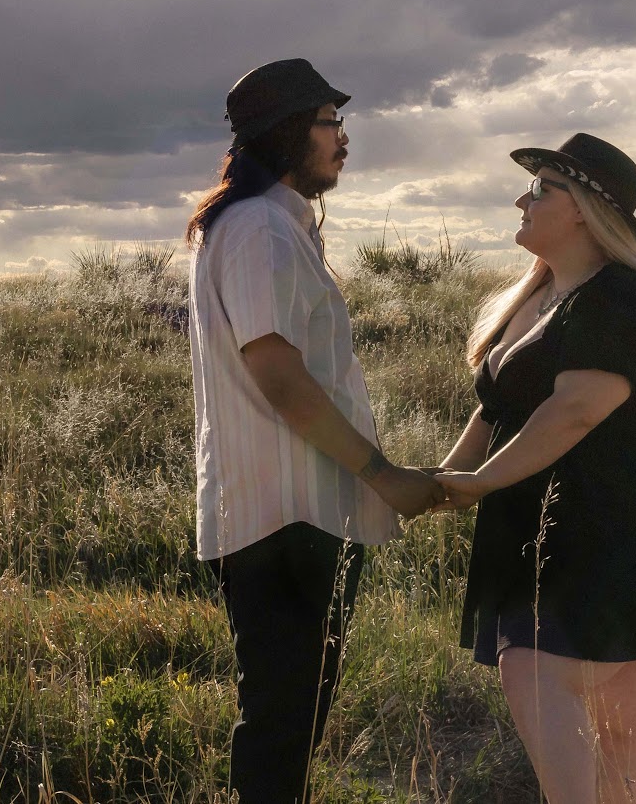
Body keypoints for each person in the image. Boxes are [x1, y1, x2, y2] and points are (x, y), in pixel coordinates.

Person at [434, 133, 636, 804]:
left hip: (603, 538)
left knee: (568, 704)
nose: (522, 200)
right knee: (618, 739)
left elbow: (576, 409)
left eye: (540, 188)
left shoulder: (624, 298)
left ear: (582, 207)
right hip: (553, 535)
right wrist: (443, 480)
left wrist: (479, 483)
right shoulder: (540, 295)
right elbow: (497, 407)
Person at [185, 58, 444, 804]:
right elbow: (279, 374)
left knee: (289, 718)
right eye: (331, 122)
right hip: (289, 515)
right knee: (281, 724)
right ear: (290, 130)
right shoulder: (260, 228)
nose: (343, 138)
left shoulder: (264, 224)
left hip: (285, 512)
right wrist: (382, 475)